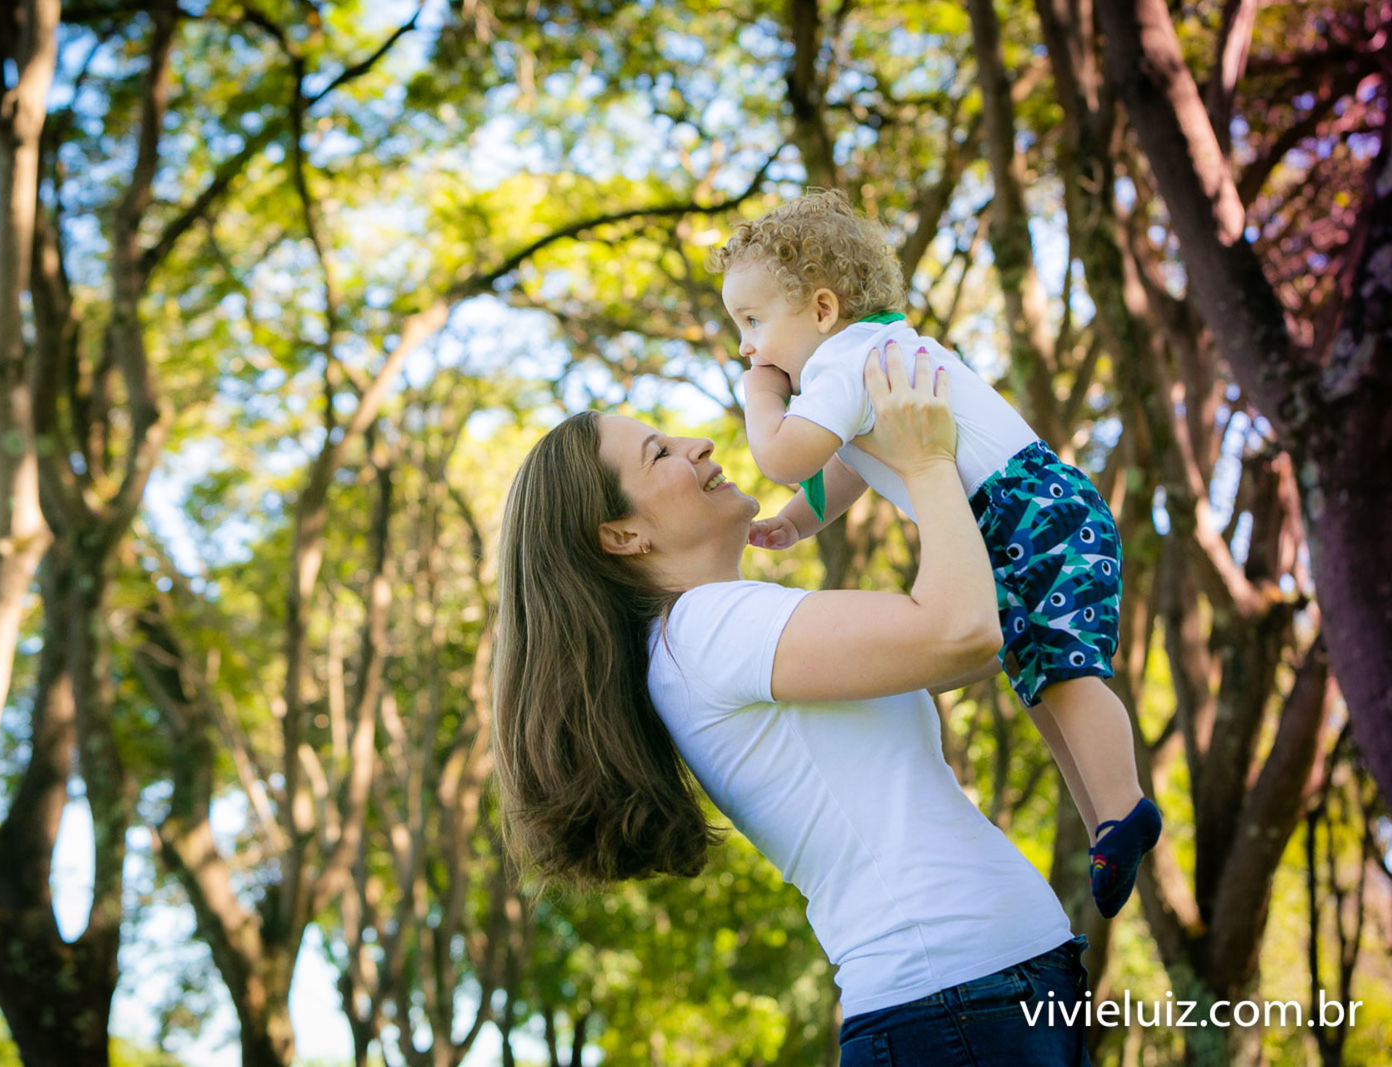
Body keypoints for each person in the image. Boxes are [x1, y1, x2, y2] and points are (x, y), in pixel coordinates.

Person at [493, 342, 1090, 1064]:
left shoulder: (711, 637)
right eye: (659, 453)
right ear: (623, 534)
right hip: (956, 1008)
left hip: (980, 998)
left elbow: (973, 638)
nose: (697, 443)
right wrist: (925, 460)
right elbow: (961, 630)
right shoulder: (707, 631)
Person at [714, 189, 1159, 917]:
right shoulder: (880, 356)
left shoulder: (843, 362)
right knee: (1041, 676)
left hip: (1026, 513)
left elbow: (786, 454)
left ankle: (1122, 806)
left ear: (822, 310)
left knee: (1065, 673)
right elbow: (854, 465)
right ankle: (1105, 820)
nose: (747, 347)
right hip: (1033, 509)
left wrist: (759, 396)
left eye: (753, 322)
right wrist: (797, 523)